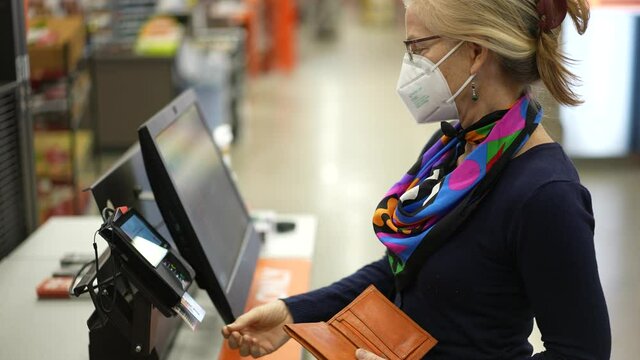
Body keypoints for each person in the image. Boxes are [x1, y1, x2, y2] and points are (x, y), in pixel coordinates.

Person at [222, 0, 611, 358]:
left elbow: (581, 353)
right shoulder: (458, 147)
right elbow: (402, 270)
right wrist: (294, 313)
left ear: (475, 53)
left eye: (419, 48)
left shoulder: (545, 194)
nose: (409, 65)